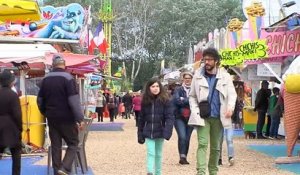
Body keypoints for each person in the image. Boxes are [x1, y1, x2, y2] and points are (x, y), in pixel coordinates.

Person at [188, 48, 237, 175]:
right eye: (205, 60)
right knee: (203, 144)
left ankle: (213, 171)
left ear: (216, 61)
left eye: (210, 59)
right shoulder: (197, 75)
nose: (207, 62)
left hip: (219, 116)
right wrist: (195, 110)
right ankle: (201, 172)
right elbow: (192, 95)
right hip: (203, 116)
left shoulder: (225, 76)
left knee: (216, 147)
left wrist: (230, 108)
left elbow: (232, 94)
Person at [37, 55, 84, 175]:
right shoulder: (68, 78)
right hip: (67, 117)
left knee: (56, 146)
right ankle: (64, 168)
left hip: (52, 117)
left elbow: (40, 100)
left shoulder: (45, 80)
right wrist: (80, 118)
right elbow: (74, 101)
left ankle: (56, 171)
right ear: (64, 64)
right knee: (73, 143)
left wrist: (45, 112)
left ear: (53, 65)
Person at [137, 78, 174, 175]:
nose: (155, 88)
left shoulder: (165, 100)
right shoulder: (145, 101)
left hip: (160, 131)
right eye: (153, 86)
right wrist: (140, 134)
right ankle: (150, 172)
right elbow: (141, 119)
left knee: (158, 154)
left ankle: (158, 173)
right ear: (149, 88)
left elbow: (170, 117)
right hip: (148, 131)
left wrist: (168, 130)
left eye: (157, 86)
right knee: (151, 153)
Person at [0, 70, 22, 175]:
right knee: (16, 154)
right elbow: (17, 114)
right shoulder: (13, 95)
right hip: (11, 128)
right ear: (10, 82)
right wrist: (20, 128)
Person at [173, 71, 194, 165]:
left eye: (189, 78)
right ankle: (182, 156)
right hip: (179, 117)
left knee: (187, 138)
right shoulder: (178, 89)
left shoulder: (195, 89)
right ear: (183, 79)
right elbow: (177, 101)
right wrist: (189, 100)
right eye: (186, 78)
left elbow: (196, 101)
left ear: (192, 79)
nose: (187, 80)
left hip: (191, 117)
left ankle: (185, 156)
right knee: (182, 136)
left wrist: (183, 99)